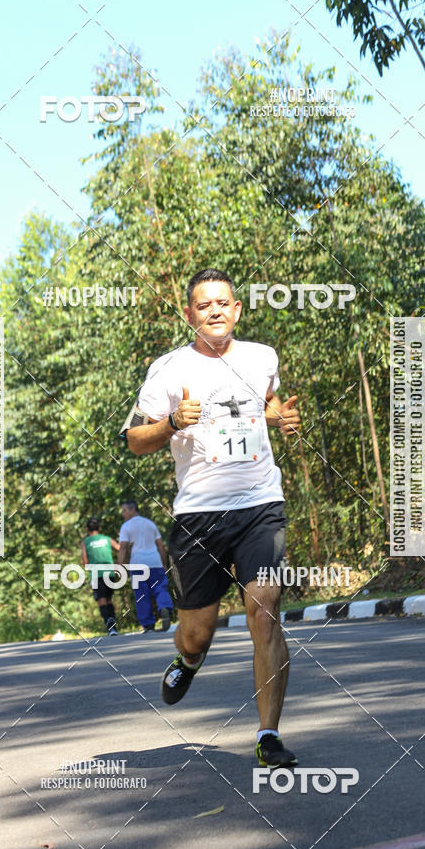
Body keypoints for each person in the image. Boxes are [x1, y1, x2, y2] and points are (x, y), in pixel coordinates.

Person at [123, 268, 301, 768]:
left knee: (264, 610)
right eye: (204, 305)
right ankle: (188, 657)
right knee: (197, 631)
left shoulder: (262, 357)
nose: (215, 311)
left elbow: (267, 403)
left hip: (260, 505)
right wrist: (170, 422)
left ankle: (268, 735)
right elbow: (134, 440)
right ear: (189, 315)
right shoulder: (168, 369)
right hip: (199, 515)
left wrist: (281, 417)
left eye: (223, 303)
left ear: (237, 309)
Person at [117, 500, 174, 633]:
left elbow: (123, 548)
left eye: (124, 510)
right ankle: (164, 607)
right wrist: (164, 563)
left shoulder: (126, 526)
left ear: (133, 510)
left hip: (138, 564)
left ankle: (148, 625)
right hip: (155, 562)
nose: (123, 513)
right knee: (160, 588)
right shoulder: (150, 523)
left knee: (142, 595)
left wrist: (120, 567)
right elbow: (161, 545)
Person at [81, 517, 120, 636]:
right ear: (99, 528)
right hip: (110, 573)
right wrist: (118, 563)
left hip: (97, 575)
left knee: (102, 601)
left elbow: (85, 562)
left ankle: (110, 628)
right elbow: (120, 548)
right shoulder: (107, 539)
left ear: (87, 529)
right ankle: (114, 627)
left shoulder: (85, 542)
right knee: (108, 600)